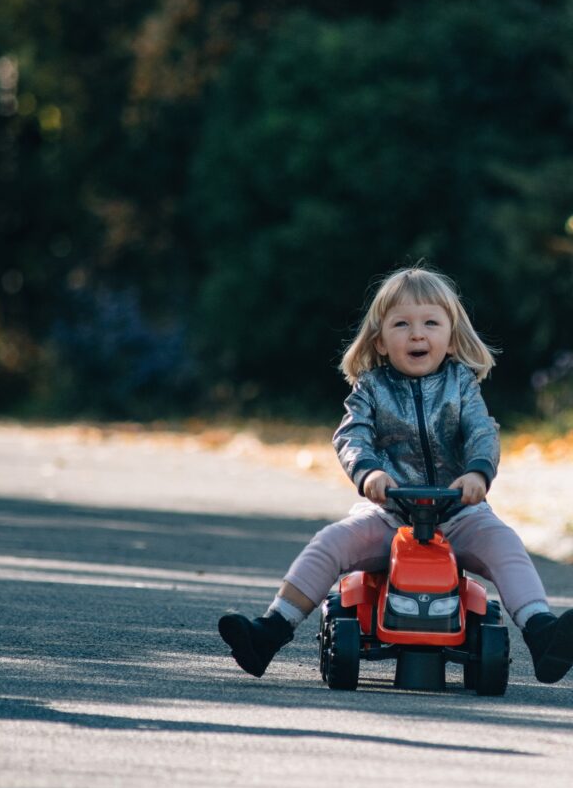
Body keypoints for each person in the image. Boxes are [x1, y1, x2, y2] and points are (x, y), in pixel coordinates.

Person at [218, 265, 573, 684]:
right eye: (401, 324)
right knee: (330, 543)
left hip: (458, 513)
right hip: (389, 515)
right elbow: (352, 435)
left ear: (451, 337)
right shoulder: (371, 389)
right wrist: (369, 473)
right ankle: (271, 630)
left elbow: (482, 433)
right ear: (380, 341)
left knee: (506, 545)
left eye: (430, 323)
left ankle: (540, 632)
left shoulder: (462, 385)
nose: (417, 334)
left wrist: (477, 474)